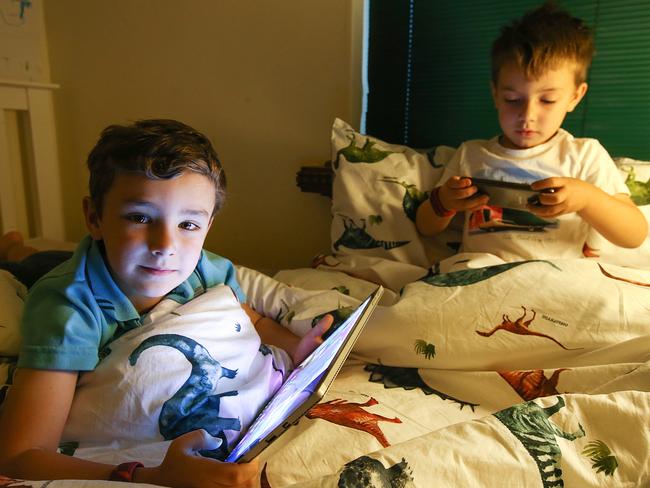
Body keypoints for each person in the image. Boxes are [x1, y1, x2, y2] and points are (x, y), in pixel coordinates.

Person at [0, 119, 333, 487]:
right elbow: (19, 456)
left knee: (39, 256)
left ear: (208, 226)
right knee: (28, 267)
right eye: (140, 218)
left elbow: (252, 319)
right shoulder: (67, 307)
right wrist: (152, 476)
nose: (165, 245)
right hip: (72, 271)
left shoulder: (208, 270)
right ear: (94, 217)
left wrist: (296, 346)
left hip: (107, 259)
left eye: (188, 225)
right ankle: (14, 248)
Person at [416, 2, 647, 263]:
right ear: (495, 94)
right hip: (478, 277)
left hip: (553, 281)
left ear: (574, 97)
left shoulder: (584, 155)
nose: (528, 115)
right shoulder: (472, 153)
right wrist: (444, 202)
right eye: (513, 99)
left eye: (547, 100)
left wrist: (588, 199)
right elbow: (426, 227)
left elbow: (634, 235)